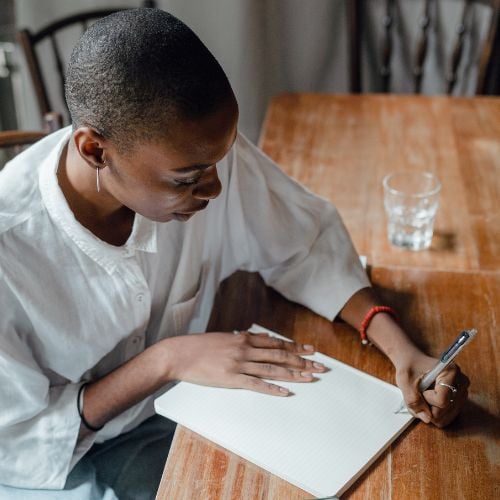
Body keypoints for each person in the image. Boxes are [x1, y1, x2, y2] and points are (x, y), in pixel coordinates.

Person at [0, 8, 469, 499]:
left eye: (219, 161)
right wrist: (165, 360)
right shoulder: (12, 254)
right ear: (95, 151)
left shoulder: (195, 151)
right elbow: (18, 440)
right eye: (188, 179)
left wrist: (404, 349)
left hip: (199, 407)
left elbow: (304, 244)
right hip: (73, 457)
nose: (216, 188)